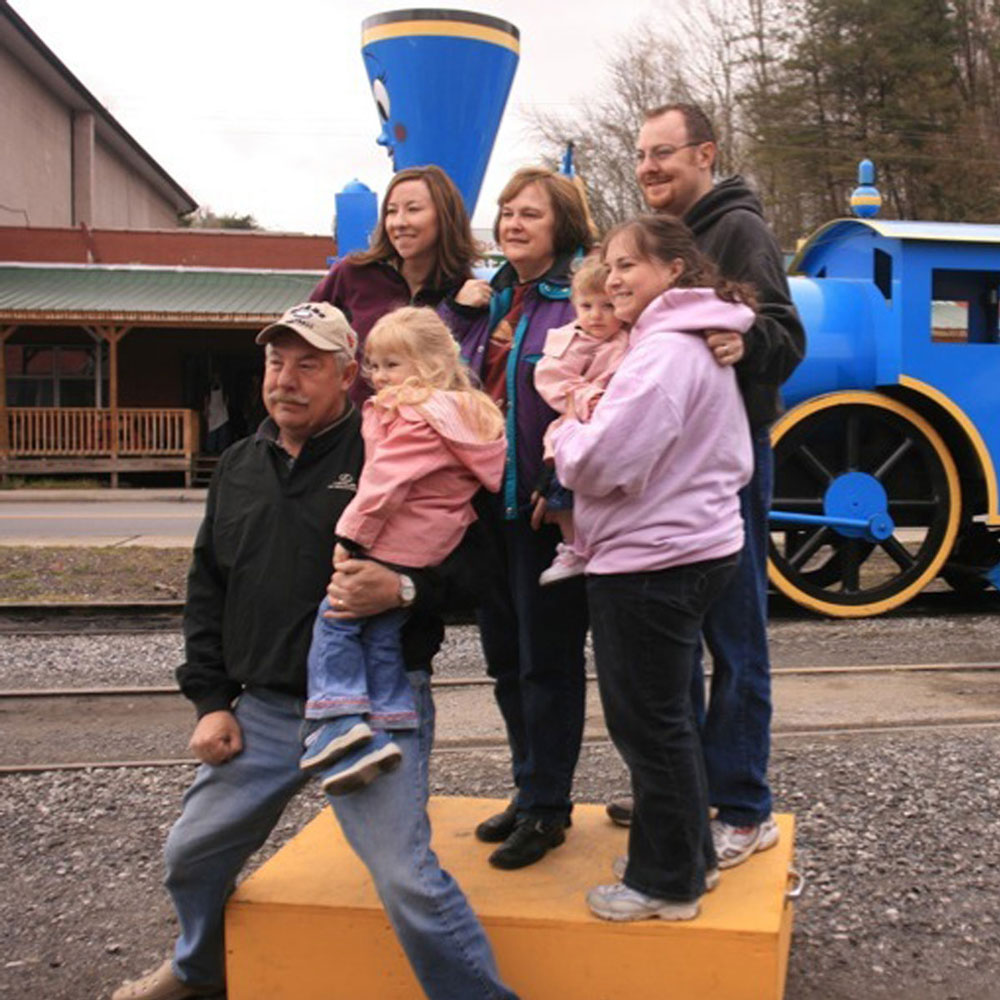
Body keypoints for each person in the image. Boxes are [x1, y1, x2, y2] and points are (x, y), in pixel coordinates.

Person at [110, 301, 517, 1000]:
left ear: (348, 375)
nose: (287, 379)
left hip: (376, 710)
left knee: (405, 881)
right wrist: (211, 702)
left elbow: (485, 563)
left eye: (309, 364)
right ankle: (199, 967)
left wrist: (405, 588)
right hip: (264, 711)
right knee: (190, 852)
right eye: (276, 362)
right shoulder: (239, 463)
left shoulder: (395, 439)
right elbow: (207, 589)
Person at [606, 103, 806, 868]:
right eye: (641, 155)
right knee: (672, 646)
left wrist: (747, 336)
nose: (649, 167)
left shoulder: (739, 230)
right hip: (662, 471)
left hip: (724, 468)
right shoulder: (662, 244)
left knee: (734, 637)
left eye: (664, 153)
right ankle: (679, 792)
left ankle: (745, 807)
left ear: (705, 154)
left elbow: (786, 337)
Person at [551, 214, 755, 921]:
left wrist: (570, 430)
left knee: (650, 724)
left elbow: (602, 462)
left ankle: (664, 884)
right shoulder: (684, 341)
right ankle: (688, 858)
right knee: (666, 717)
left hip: (652, 559)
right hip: (687, 546)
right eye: (608, 266)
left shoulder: (664, 353)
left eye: (629, 265)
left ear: (674, 270)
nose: (612, 278)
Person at [439, 167, 592, 869]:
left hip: (541, 511)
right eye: (506, 212)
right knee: (504, 660)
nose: (513, 222)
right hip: (484, 507)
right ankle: (527, 788)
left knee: (547, 663)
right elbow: (437, 375)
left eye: (530, 213)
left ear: (561, 224)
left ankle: (548, 807)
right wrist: (461, 312)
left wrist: (561, 480)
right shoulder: (492, 297)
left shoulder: (580, 302)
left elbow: (598, 396)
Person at [300, 306, 506, 795]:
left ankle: (338, 716)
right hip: (431, 542)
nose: (378, 376)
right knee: (382, 634)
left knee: (337, 615)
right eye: (374, 364)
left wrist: (350, 535)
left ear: (432, 363)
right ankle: (389, 724)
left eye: (393, 364)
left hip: (397, 539)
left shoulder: (415, 414)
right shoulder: (460, 413)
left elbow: (384, 482)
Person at [310, 164, 479, 408]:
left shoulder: (465, 295)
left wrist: (458, 313)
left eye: (413, 209)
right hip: (352, 434)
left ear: (444, 217)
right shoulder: (353, 274)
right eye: (391, 211)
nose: (398, 222)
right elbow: (303, 342)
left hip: (424, 437)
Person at [531, 253, 628, 585]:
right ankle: (573, 547)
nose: (597, 316)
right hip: (577, 420)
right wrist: (589, 398)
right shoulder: (566, 340)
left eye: (607, 306)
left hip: (614, 423)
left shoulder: (629, 339)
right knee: (563, 489)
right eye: (587, 307)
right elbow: (551, 379)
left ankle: (595, 544)